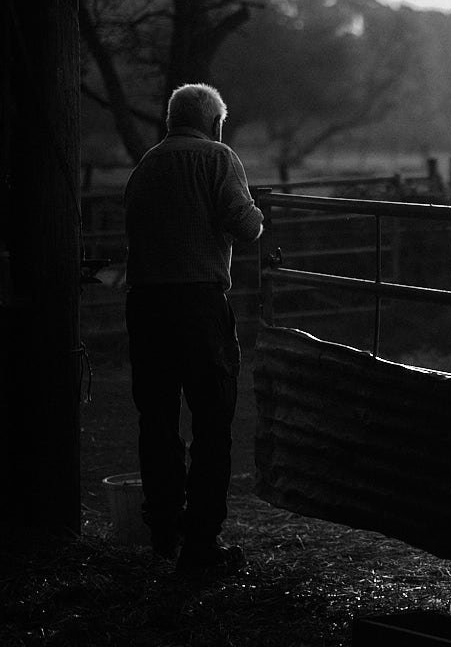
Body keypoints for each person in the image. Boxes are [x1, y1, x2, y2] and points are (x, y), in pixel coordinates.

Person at [124, 83, 264, 572]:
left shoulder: (146, 166)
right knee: (212, 420)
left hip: (146, 303)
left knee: (157, 420)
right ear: (213, 122)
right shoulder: (218, 158)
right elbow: (244, 226)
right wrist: (259, 214)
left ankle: (163, 530)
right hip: (199, 302)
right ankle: (203, 541)